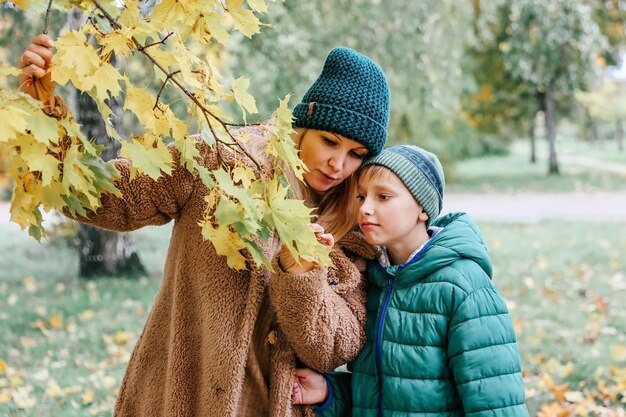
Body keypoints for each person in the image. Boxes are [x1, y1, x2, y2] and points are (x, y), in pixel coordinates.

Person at [18, 35, 390, 417]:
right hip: (179, 396)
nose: (338, 165)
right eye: (330, 142)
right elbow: (105, 198)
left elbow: (333, 348)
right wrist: (43, 112)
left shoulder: (354, 230)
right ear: (303, 127)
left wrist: (301, 276)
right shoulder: (219, 161)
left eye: (356, 155)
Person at [292, 145, 529, 417]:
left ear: (422, 208)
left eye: (383, 196)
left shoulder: (463, 287)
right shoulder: (374, 279)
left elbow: (496, 404)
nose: (365, 208)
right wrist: (329, 391)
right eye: (361, 196)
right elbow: (383, 393)